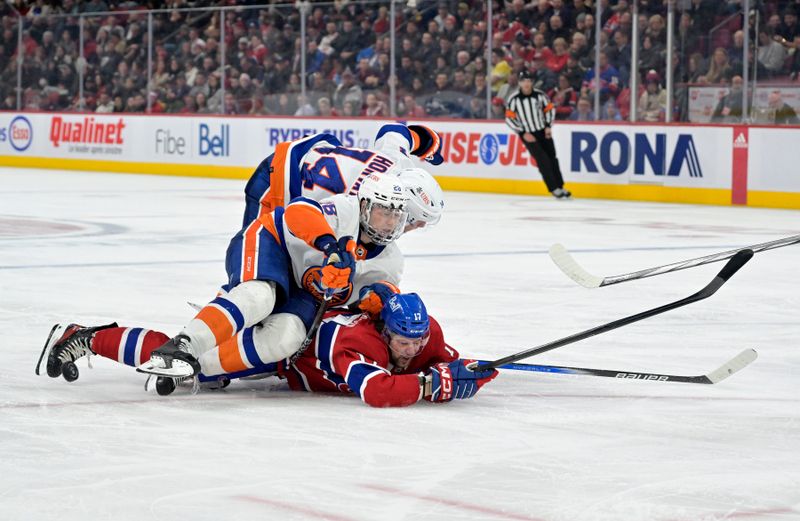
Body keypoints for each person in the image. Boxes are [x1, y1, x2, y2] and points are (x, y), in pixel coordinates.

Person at [39, 293, 499, 407]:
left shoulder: (423, 333)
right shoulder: (355, 344)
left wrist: (472, 372)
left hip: (290, 348)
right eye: (404, 341)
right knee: (188, 364)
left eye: (418, 341)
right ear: (385, 330)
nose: (413, 348)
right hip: (280, 348)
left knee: (196, 370)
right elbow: (377, 392)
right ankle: (84, 334)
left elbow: (449, 361)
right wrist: (429, 386)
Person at [242, 123, 445, 228]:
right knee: (255, 257)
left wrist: (427, 142)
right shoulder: (366, 207)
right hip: (276, 184)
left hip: (304, 151)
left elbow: (393, 131)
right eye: (414, 219)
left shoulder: (398, 161)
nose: (414, 225)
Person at [505, 70, 571, 199]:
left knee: (552, 158)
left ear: (532, 82)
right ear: (519, 83)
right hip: (528, 134)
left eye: (529, 81)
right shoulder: (514, 99)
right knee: (542, 160)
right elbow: (509, 118)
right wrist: (523, 132)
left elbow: (549, 110)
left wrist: (548, 126)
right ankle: (553, 188)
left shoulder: (540, 95)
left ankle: (560, 186)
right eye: (524, 81)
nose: (526, 84)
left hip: (543, 131)